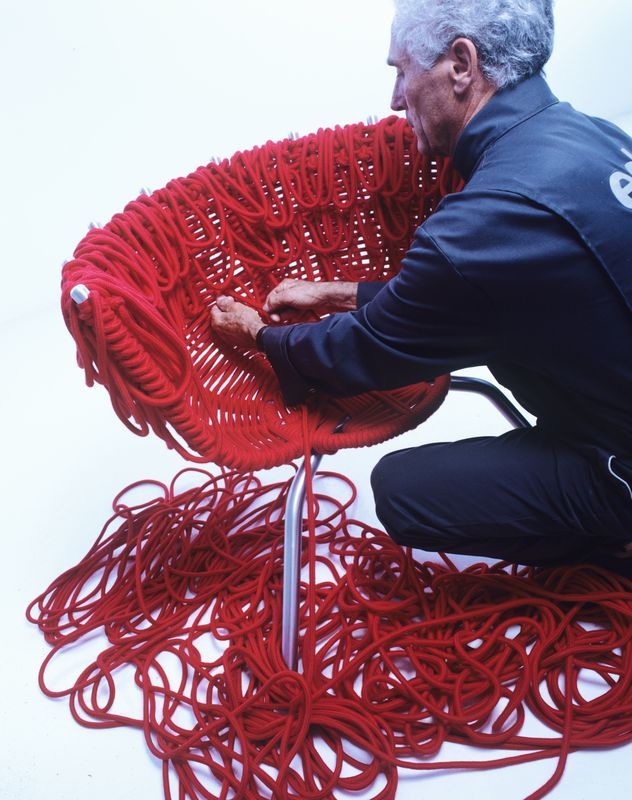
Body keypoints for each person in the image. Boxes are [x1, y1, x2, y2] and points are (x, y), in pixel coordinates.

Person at [211, 0, 632, 575]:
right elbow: (485, 289)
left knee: (403, 491)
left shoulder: (488, 217)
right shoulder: (595, 134)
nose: (395, 97)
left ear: (461, 64)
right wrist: (337, 292)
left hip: (620, 463)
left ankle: (619, 543)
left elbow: (365, 352)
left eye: (401, 70)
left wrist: (259, 335)